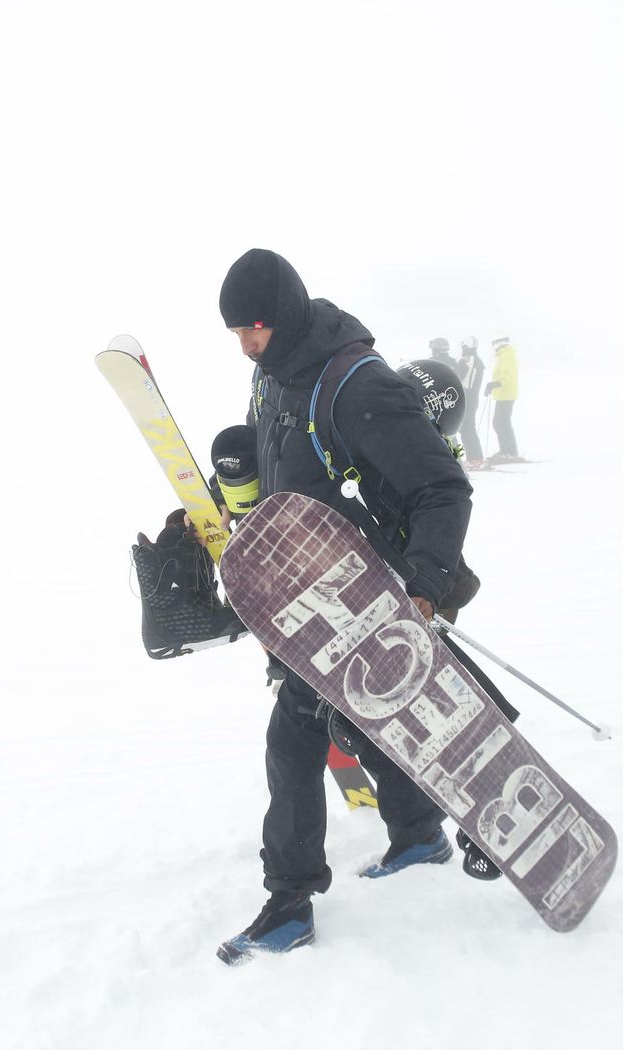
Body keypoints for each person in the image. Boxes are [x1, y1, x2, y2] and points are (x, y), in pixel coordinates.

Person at [212, 248, 476, 964]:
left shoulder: (359, 385)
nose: (245, 345)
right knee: (359, 720)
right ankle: (418, 834)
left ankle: (289, 905)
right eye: (235, 332)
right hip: (303, 593)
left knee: (291, 741)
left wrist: (422, 586)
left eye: (253, 328)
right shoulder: (271, 379)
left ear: (285, 314)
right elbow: (278, 477)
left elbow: (443, 489)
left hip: (369, 593)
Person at [483, 335, 520, 461]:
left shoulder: (506, 356)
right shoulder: (505, 355)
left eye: (494, 344)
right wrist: (494, 385)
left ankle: (509, 452)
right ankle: (508, 451)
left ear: (499, 343)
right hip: (504, 394)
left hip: (506, 394)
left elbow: (506, 375)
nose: (493, 347)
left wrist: (496, 384)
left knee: (500, 422)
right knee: (502, 422)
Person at [456, 337, 486, 468]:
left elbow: (460, 376)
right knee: (466, 428)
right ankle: (474, 457)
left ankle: (476, 458)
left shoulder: (470, 360)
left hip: (468, 398)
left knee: (467, 428)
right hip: (470, 398)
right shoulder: (474, 360)